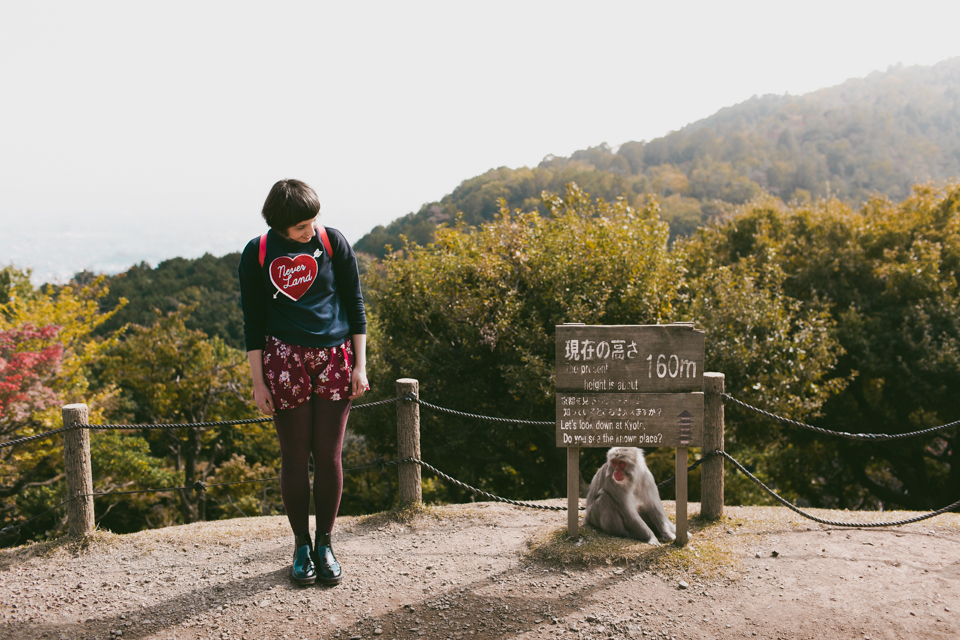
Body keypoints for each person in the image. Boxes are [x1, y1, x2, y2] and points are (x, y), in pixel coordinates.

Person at [238, 179, 368, 586]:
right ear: (279, 226)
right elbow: (253, 324)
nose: (310, 230)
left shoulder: (332, 243)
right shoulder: (257, 253)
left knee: (328, 455)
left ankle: (325, 544)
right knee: (294, 457)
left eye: (313, 221)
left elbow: (355, 303)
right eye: (300, 227)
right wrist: (258, 383)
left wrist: (360, 366)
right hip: (282, 360)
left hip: (335, 356)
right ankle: (300, 545)